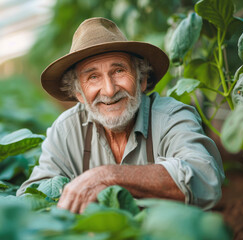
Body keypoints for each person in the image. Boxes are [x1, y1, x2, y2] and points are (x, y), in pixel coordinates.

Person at [16, 17, 225, 213]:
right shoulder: (66, 130)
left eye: (118, 71)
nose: (109, 90)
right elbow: (34, 196)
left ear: (142, 80)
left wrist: (108, 176)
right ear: (79, 93)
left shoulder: (172, 117)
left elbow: (206, 180)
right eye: (93, 77)